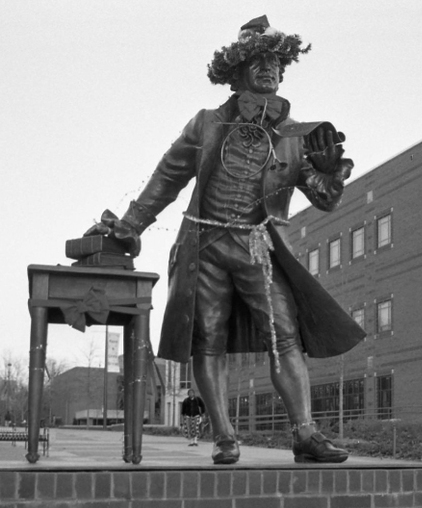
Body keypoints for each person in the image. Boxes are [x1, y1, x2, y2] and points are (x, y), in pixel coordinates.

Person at [85, 16, 364, 465]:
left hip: (259, 247)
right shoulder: (206, 124)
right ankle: (224, 435)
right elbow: (167, 177)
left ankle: (305, 434)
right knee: (206, 339)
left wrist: (333, 173)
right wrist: (131, 224)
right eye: (258, 61)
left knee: (285, 333)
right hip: (204, 244)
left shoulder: (299, 134)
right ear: (235, 73)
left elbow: (325, 199)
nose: (269, 68)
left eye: (275, 61)